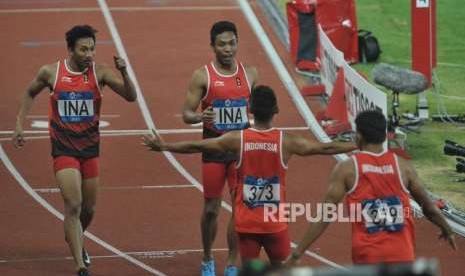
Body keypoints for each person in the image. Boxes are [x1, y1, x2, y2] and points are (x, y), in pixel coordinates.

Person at [143, 85, 356, 269]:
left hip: (246, 225)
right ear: (276, 110)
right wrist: (358, 144)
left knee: (249, 271)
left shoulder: (237, 139)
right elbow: (326, 148)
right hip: (274, 224)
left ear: (251, 110)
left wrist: (164, 146)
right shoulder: (287, 142)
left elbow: (197, 146)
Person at [12, 25, 137, 276]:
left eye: (92, 48)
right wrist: (19, 124)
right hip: (63, 147)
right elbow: (29, 92)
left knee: (88, 210)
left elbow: (130, 96)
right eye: (83, 49)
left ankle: (75, 235)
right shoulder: (51, 72)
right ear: (70, 49)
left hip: (90, 148)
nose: (89, 54)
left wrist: (124, 73)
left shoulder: (100, 73)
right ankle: (80, 265)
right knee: (74, 203)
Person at [285, 110, 457, 266]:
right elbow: (429, 207)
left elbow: (324, 216)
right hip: (402, 254)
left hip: (368, 258)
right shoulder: (404, 168)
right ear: (384, 136)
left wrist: (297, 253)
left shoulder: (347, 169)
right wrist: (447, 229)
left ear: (358, 136)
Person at [181, 20, 258, 276]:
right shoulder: (202, 75)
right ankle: (206, 257)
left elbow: (258, 111)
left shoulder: (250, 74)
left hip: (240, 151)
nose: (228, 49)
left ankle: (232, 263)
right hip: (214, 149)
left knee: (240, 211)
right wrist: (199, 117)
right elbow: (187, 114)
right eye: (222, 44)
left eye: (232, 43)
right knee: (212, 209)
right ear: (212, 46)